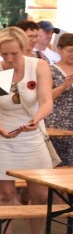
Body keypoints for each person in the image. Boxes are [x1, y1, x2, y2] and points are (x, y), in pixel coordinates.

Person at [0, 26, 64, 234]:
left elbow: (47, 102)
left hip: (32, 135)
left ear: (24, 48)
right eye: (3, 54)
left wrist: (36, 119)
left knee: (40, 194)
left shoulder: (38, 66)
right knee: (6, 195)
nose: (8, 59)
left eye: (13, 54)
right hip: (2, 138)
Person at [47, 33, 73, 166]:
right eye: (70, 51)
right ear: (59, 49)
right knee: (58, 164)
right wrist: (64, 86)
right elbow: (45, 97)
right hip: (57, 124)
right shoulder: (50, 70)